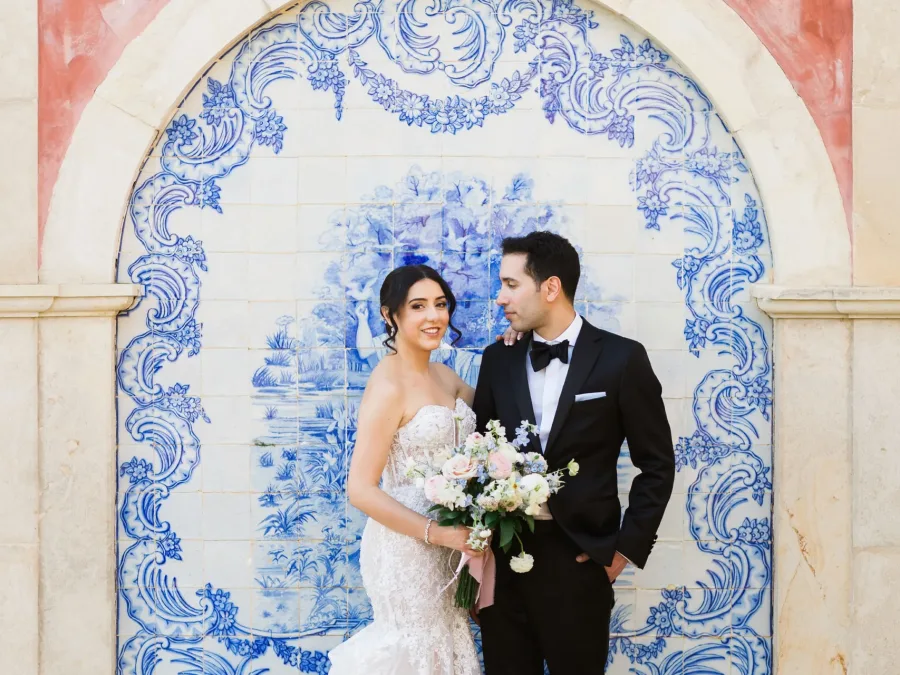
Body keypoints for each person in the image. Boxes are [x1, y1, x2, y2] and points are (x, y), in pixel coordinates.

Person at [473, 231, 676, 674]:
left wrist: (623, 550)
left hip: (579, 561)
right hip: (505, 564)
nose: (499, 297)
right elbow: (478, 453)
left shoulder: (622, 359)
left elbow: (657, 465)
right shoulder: (498, 359)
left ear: (550, 287)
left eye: (510, 285)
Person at [329, 264, 482, 675]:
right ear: (390, 315)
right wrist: (439, 533)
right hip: (408, 546)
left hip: (452, 545)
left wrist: (515, 348)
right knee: (418, 648)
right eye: (418, 306)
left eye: (440, 304)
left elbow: (495, 412)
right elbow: (360, 489)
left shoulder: (445, 376)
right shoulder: (388, 385)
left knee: (448, 644)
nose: (434, 317)